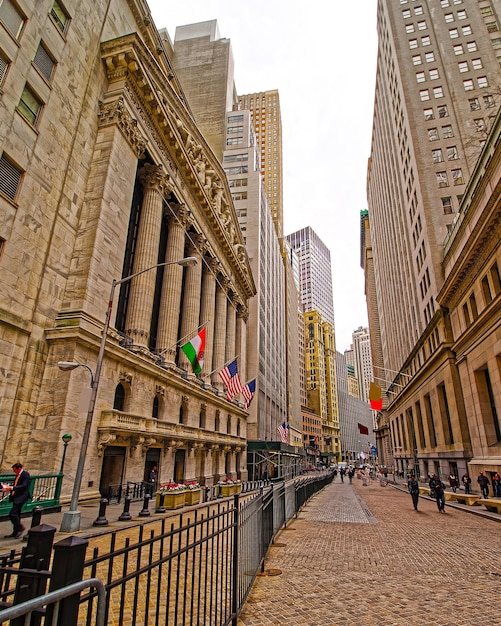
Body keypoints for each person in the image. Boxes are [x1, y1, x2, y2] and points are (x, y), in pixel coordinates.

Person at [2, 463, 31, 538]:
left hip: (21, 497)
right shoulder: (18, 475)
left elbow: (24, 486)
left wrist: (11, 488)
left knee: (13, 513)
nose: (14, 471)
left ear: (18, 468)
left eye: (14, 470)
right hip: (16, 496)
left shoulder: (25, 474)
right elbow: (16, 483)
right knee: (16, 514)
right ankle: (15, 531)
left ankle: (20, 528)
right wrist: (7, 486)